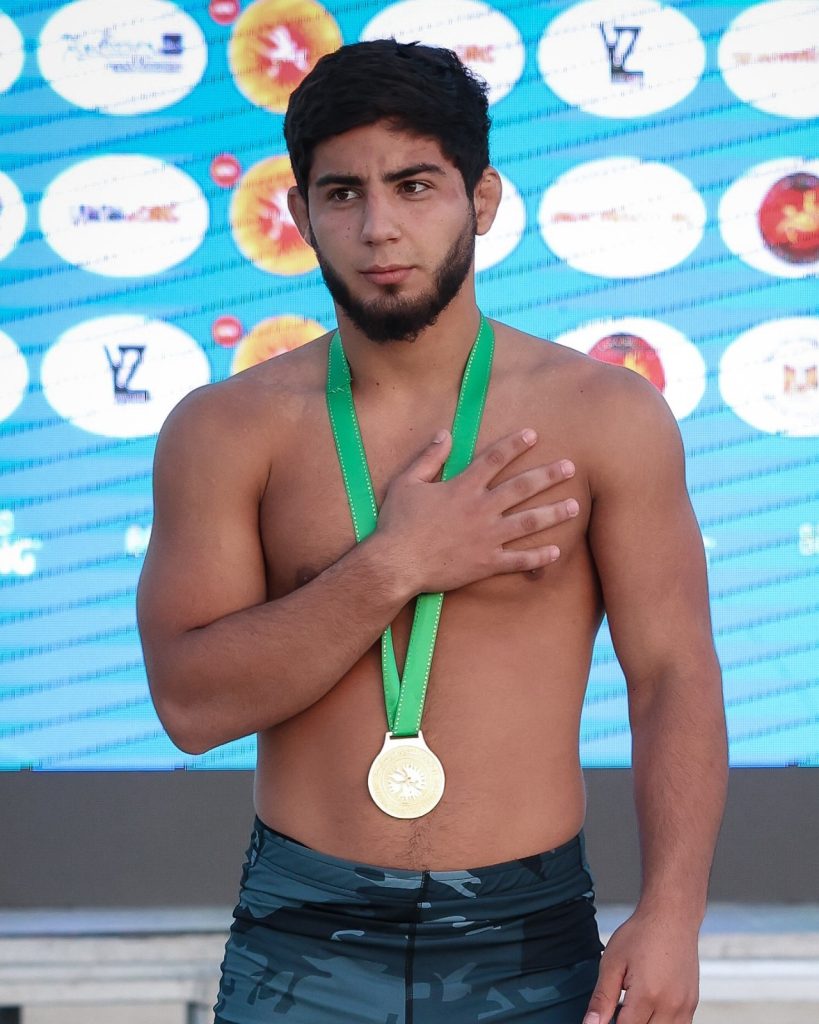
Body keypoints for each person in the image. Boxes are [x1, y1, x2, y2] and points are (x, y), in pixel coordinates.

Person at [137, 40, 727, 1024]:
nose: (379, 227)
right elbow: (192, 707)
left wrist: (674, 911)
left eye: (414, 186)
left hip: (529, 931)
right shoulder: (227, 430)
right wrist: (396, 562)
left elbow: (673, 673)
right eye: (343, 194)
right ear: (301, 217)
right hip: (303, 934)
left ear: (481, 200)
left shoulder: (605, 417)